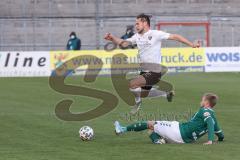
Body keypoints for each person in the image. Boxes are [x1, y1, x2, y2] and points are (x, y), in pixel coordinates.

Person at [104, 13, 200, 115]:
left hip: (155, 71)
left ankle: (137, 102)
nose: (136, 26)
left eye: (137, 23)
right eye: (135, 24)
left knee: (132, 84)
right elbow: (124, 43)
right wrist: (113, 38)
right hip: (144, 71)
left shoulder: (155, 34)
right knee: (144, 94)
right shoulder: (137, 36)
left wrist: (191, 44)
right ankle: (166, 94)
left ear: (145, 23)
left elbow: (175, 36)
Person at [114, 93, 224, 145]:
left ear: (206, 103)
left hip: (179, 131)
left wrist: (210, 140)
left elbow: (209, 122)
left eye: (202, 100)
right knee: (151, 131)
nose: (201, 101)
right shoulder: (213, 116)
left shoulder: (205, 111)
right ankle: (159, 141)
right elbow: (219, 132)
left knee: (150, 123)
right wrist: (219, 138)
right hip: (185, 137)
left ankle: (122, 129)